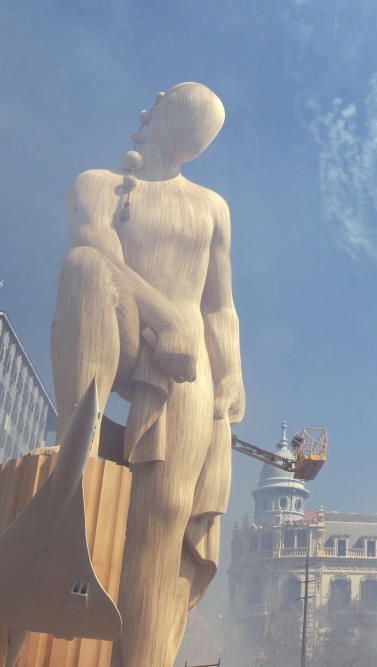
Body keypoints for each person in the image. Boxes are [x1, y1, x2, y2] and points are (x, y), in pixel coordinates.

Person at [50, 82, 244, 666]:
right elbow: (97, 252)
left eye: (206, 127)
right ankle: (74, 459)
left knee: (162, 520)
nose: (195, 130)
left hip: (190, 367)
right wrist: (163, 316)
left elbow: (219, 304)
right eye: (185, 112)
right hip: (127, 329)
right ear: (154, 111)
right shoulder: (99, 185)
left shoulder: (212, 205)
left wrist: (231, 374)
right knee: (83, 269)